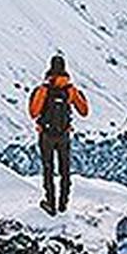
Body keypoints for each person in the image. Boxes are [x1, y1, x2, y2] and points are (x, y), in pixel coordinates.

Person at [27, 54, 88, 212]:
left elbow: (34, 113)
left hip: (46, 135)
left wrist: (41, 92)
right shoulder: (70, 89)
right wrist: (77, 94)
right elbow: (84, 111)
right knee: (65, 170)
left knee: (48, 169)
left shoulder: (44, 89)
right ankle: (63, 204)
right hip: (64, 135)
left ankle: (50, 203)